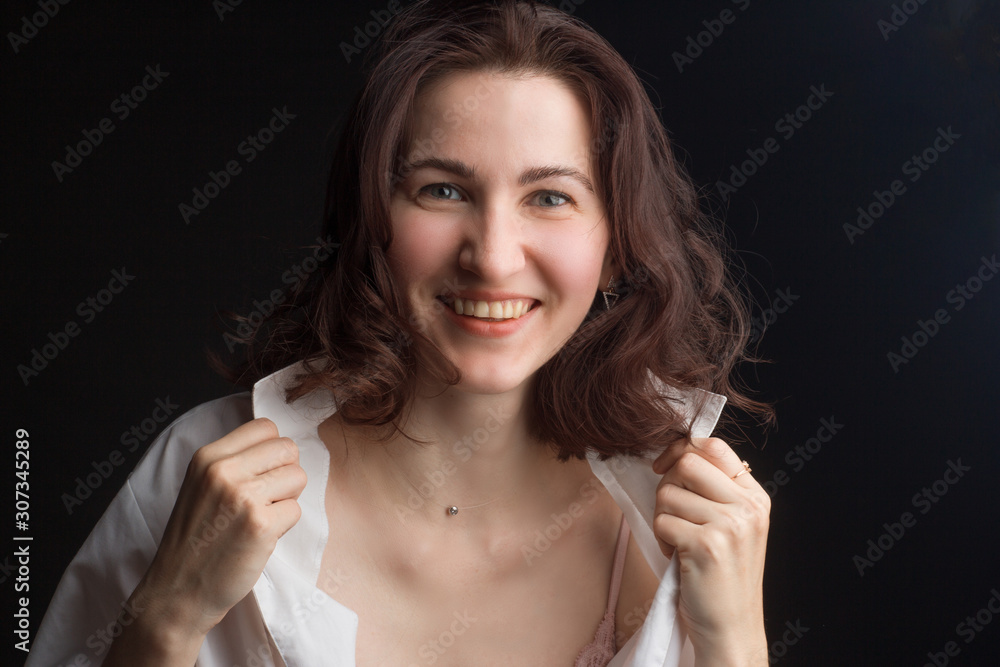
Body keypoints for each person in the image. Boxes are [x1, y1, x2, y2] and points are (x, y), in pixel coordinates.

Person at [27, 1, 775, 665]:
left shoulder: (693, 517)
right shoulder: (202, 470)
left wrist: (737, 640)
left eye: (549, 196)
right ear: (372, 219)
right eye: (442, 190)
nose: (494, 255)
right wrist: (165, 618)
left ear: (615, 242)